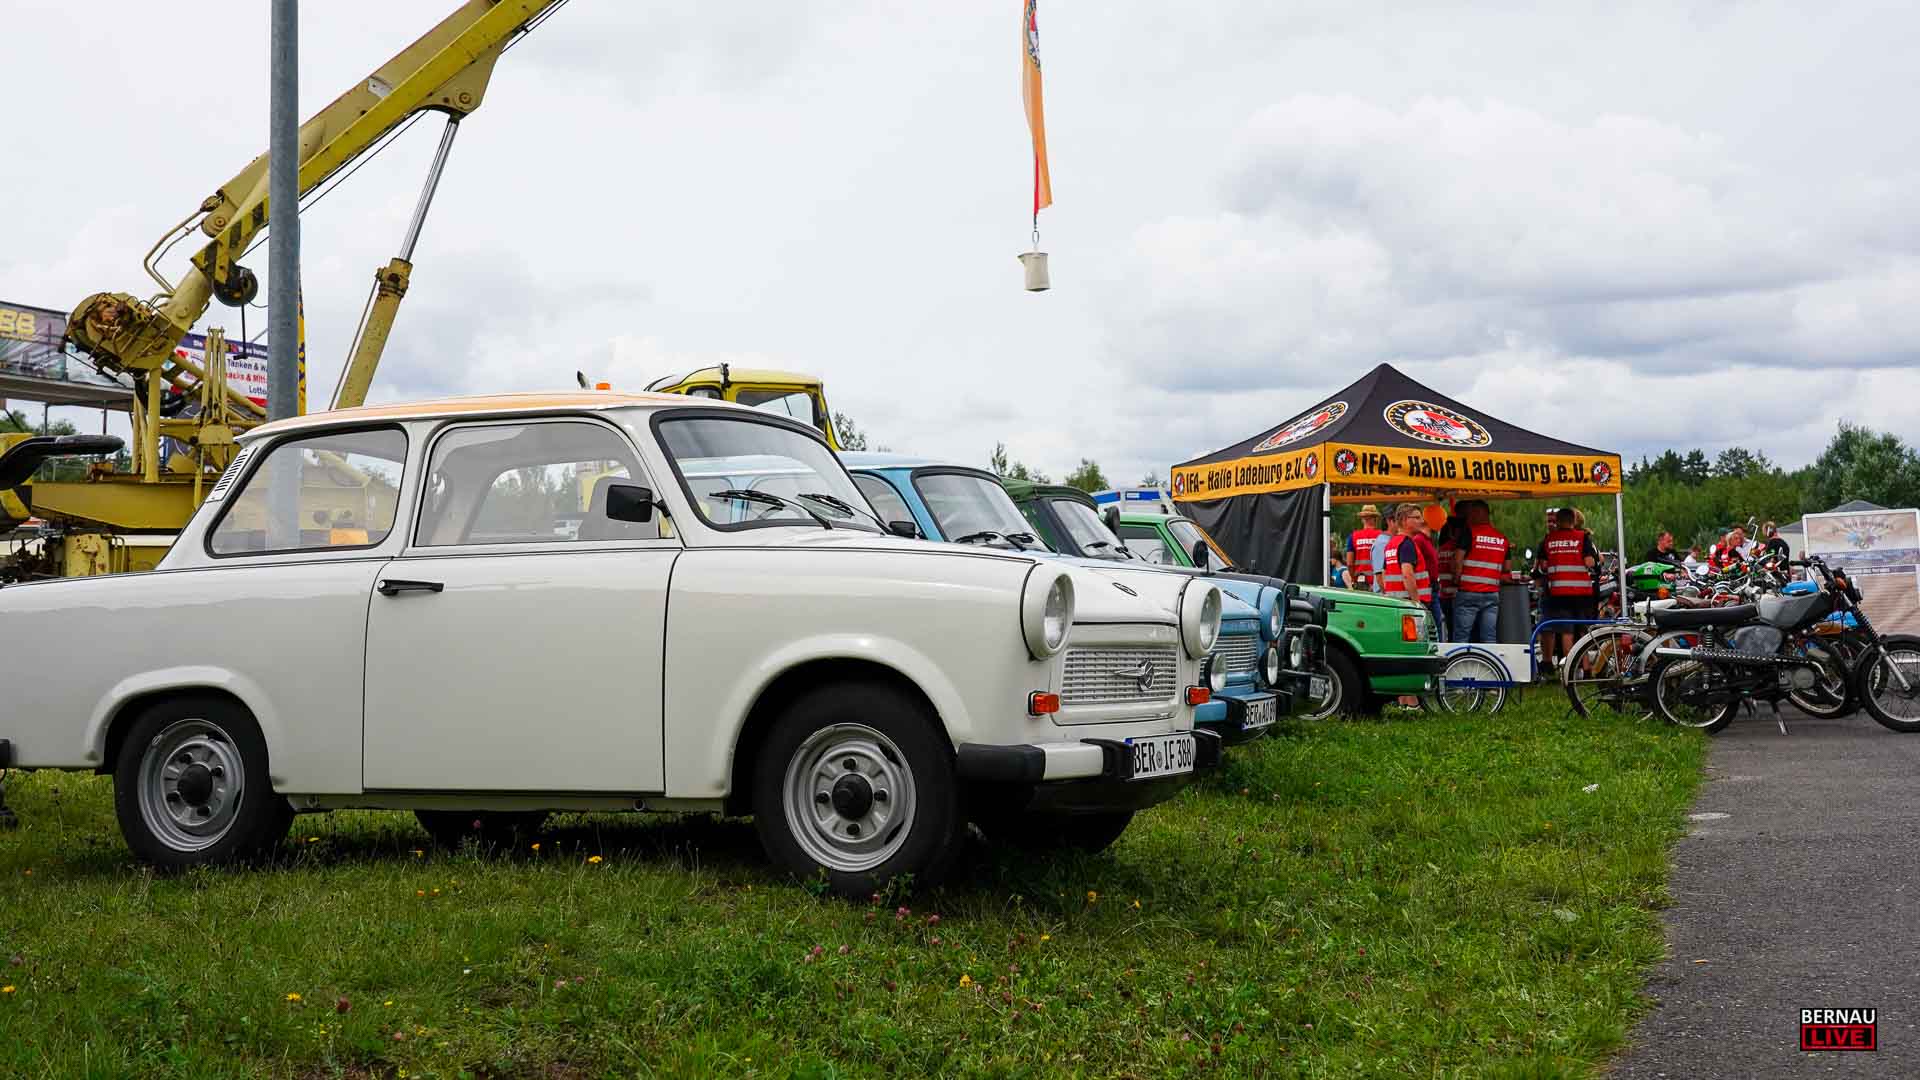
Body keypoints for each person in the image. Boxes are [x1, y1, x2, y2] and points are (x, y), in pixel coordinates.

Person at [1538, 507, 1598, 669]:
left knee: (1567, 632)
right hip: (1582, 594)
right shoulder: (1582, 537)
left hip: (1559, 594)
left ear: (1558, 521)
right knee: (1583, 631)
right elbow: (1589, 562)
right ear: (1573, 521)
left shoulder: (1548, 539)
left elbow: (1543, 566)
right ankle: (1586, 669)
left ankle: (1571, 670)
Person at [1453, 501, 1508, 643]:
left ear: (1479, 513)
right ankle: (1489, 665)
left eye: (1470, 513)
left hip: (1468, 593)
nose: (1468, 517)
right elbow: (1507, 567)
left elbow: (1458, 559)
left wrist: (1456, 579)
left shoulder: (1469, 533)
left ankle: (1460, 664)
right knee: (1489, 637)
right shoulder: (1502, 538)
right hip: (1491, 594)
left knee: (1462, 636)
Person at [1435, 515, 1465, 641]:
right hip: (1456, 595)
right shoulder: (1457, 548)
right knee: (1460, 630)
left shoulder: (1440, 549)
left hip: (1443, 595)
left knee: (1450, 628)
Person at [1346, 504, 1383, 591]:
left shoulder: (1353, 536)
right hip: (1377, 581)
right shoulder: (1382, 536)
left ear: (1362, 520)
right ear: (1375, 519)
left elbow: (1349, 563)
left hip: (1360, 581)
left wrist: (1353, 579)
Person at [1370, 510, 1398, 593]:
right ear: (1389, 521)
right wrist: (1387, 596)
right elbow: (1379, 576)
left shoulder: (1389, 541)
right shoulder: (1382, 544)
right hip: (1384, 595)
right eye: (1398, 520)